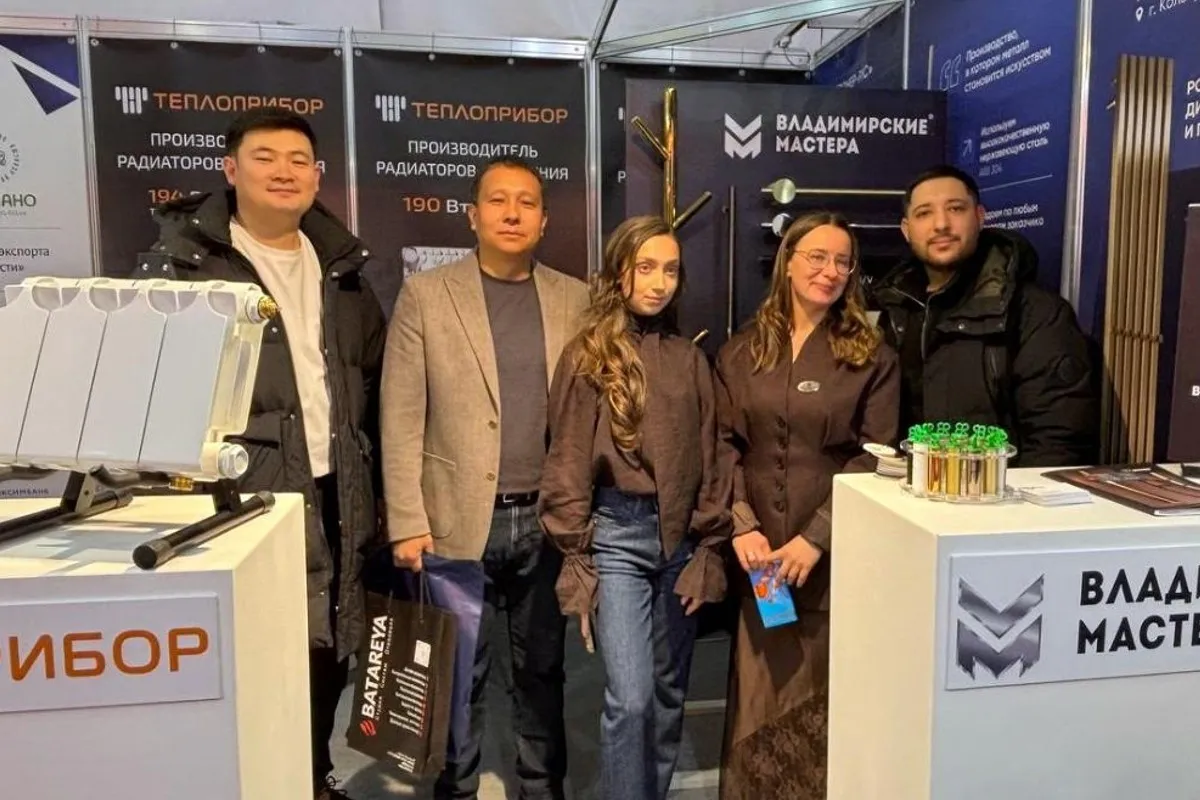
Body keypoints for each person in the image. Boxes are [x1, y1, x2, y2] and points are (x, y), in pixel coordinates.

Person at [137, 107, 386, 800]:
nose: (284, 172)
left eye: (299, 160)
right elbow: (157, 395)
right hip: (245, 498)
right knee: (258, 654)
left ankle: (312, 775)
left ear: (317, 176)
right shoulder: (184, 267)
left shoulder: (342, 270)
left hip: (337, 487)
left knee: (330, 644)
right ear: (231, 169)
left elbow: (370, 376)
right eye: (266, 157)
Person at [379, 155, 590, 800]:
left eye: (527, 202)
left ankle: (541, 786)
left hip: (547, 521)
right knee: (455, 672)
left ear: (544, 220)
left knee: (542, 671)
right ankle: (458, 787)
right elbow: (400, 415)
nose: (512, 213)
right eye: (498, 200)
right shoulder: (427, 295)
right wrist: (406, 520)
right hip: (454, 518)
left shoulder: (575, 298)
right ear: (472, 216)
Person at [539, 216, 731, 800]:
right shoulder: (587, 356)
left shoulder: (689, 359)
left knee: (670, 694)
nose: (659, 282)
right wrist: (575, 554)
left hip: (681, 542)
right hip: (617, 537)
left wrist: (709, 547)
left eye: (670, 270)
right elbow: (568, 457)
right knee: (631, 697)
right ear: (619, 272)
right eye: (645, 267)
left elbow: (713, 454)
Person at [714, 212, 899, 799]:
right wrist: (742, 525)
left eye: (843, 261)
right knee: (762, 693)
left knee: (818, 693)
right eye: (817, 256)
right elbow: (722, 445)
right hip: (761, 558)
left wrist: (817, 537)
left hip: (831, 558)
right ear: (788, 262)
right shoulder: (742, 352)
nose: (831, 271)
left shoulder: (871, 356)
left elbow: (876, 455)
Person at [871, 164, 1098, 466]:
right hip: (908, 491)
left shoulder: (1035, 313)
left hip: (999, 494)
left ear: (979, 217)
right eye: (924, 213)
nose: (941, 224)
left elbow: (1057, 445)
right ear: (906, 230)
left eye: (955, 208)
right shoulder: (896, 310)